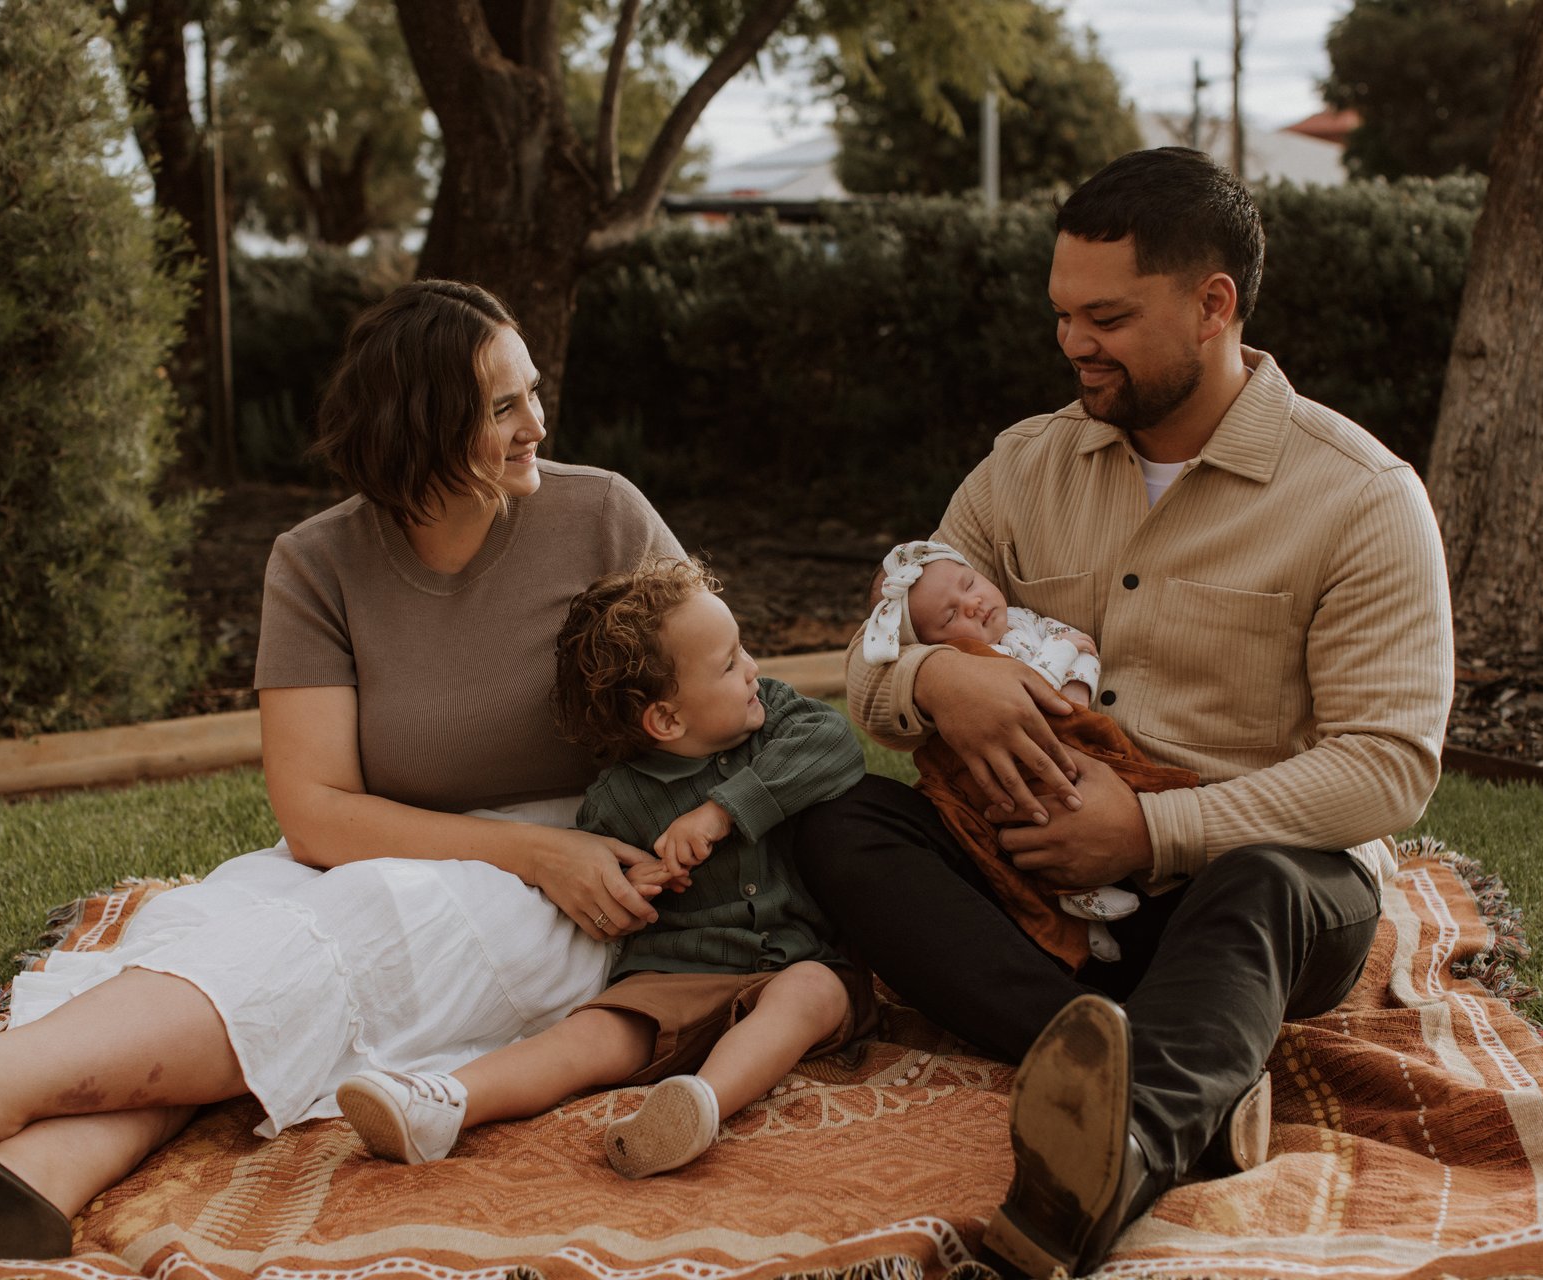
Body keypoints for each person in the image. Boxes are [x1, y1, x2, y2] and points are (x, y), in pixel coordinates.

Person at [0, 280, 685, 1261]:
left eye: (531, 392)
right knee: (222, 929)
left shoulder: (605, 516)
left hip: (573, 876)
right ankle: (28, 1182)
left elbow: (719, 688)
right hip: (394, 846)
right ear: (424, 423)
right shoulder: (317, 559)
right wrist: (527, 849)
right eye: (504, 405)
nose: (538, 421)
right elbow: (316, 810)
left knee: (332, 947)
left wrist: (587, 849)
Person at [796, 147, 1454, 1278]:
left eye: (1105, 316)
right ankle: (1165, 1065)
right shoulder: (1022, 467)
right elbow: (879, 646)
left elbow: (1389, 767)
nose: (1072, 344)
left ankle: (1116, 1152)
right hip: (1030, 882)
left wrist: (1153, 832)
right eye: (1061, 314)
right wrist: (933, 682)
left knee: (1266, 883)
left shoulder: (1360, 495)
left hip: (1246, 883)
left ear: (1214, 306)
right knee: (835, 818)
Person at [332, 559, 875, 1179]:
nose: (752, 668)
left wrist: (722, 813)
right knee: (588, 1038)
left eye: (742, 651)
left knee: (809, 995)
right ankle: (441, 1102)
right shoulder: (616, 800)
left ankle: (699, 1107)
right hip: (677, 974)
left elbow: (836, 747)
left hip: (798, 960)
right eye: (729, 664)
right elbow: (601, 908)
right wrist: (634, 889)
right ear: (666, 719)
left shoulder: (776, 718)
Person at [864, 538, 1200, 966]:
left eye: (970, 583)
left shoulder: (1026, 621)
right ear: (926, 641)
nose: (972, 604)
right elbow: (1024, 686)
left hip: (1070, 727)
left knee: (1117, 778)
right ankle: (1077, 905)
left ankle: (1097, 894)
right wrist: (936, 675)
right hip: (1014, 755)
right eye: (950, 615)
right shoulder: (973, 659)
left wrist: (1075, 689)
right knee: (1024, 814)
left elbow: (1081, 649)